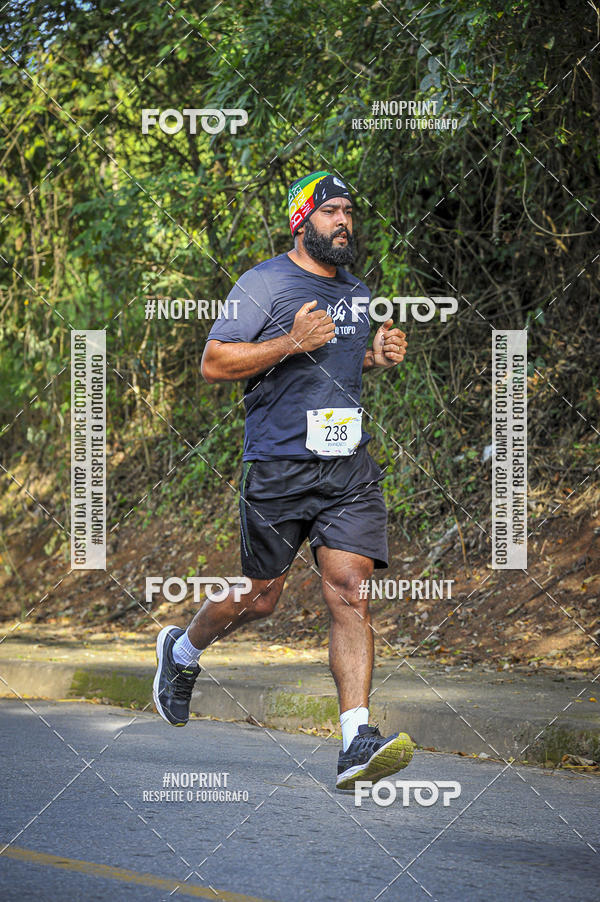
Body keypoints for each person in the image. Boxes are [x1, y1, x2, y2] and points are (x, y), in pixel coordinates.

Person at [153, 170, 414, 789]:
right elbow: (215, 362)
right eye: (331, 212)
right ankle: (183, 651)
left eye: (349, 211)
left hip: (347, 469)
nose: (344, 222)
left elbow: (340, 368)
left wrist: (375, 356)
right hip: (277, 466)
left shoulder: (357, 290)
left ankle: (355, 740)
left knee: (350, 591)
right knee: (262, 595)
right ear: (304, 221)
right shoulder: (264, 283)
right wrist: (290, 342)